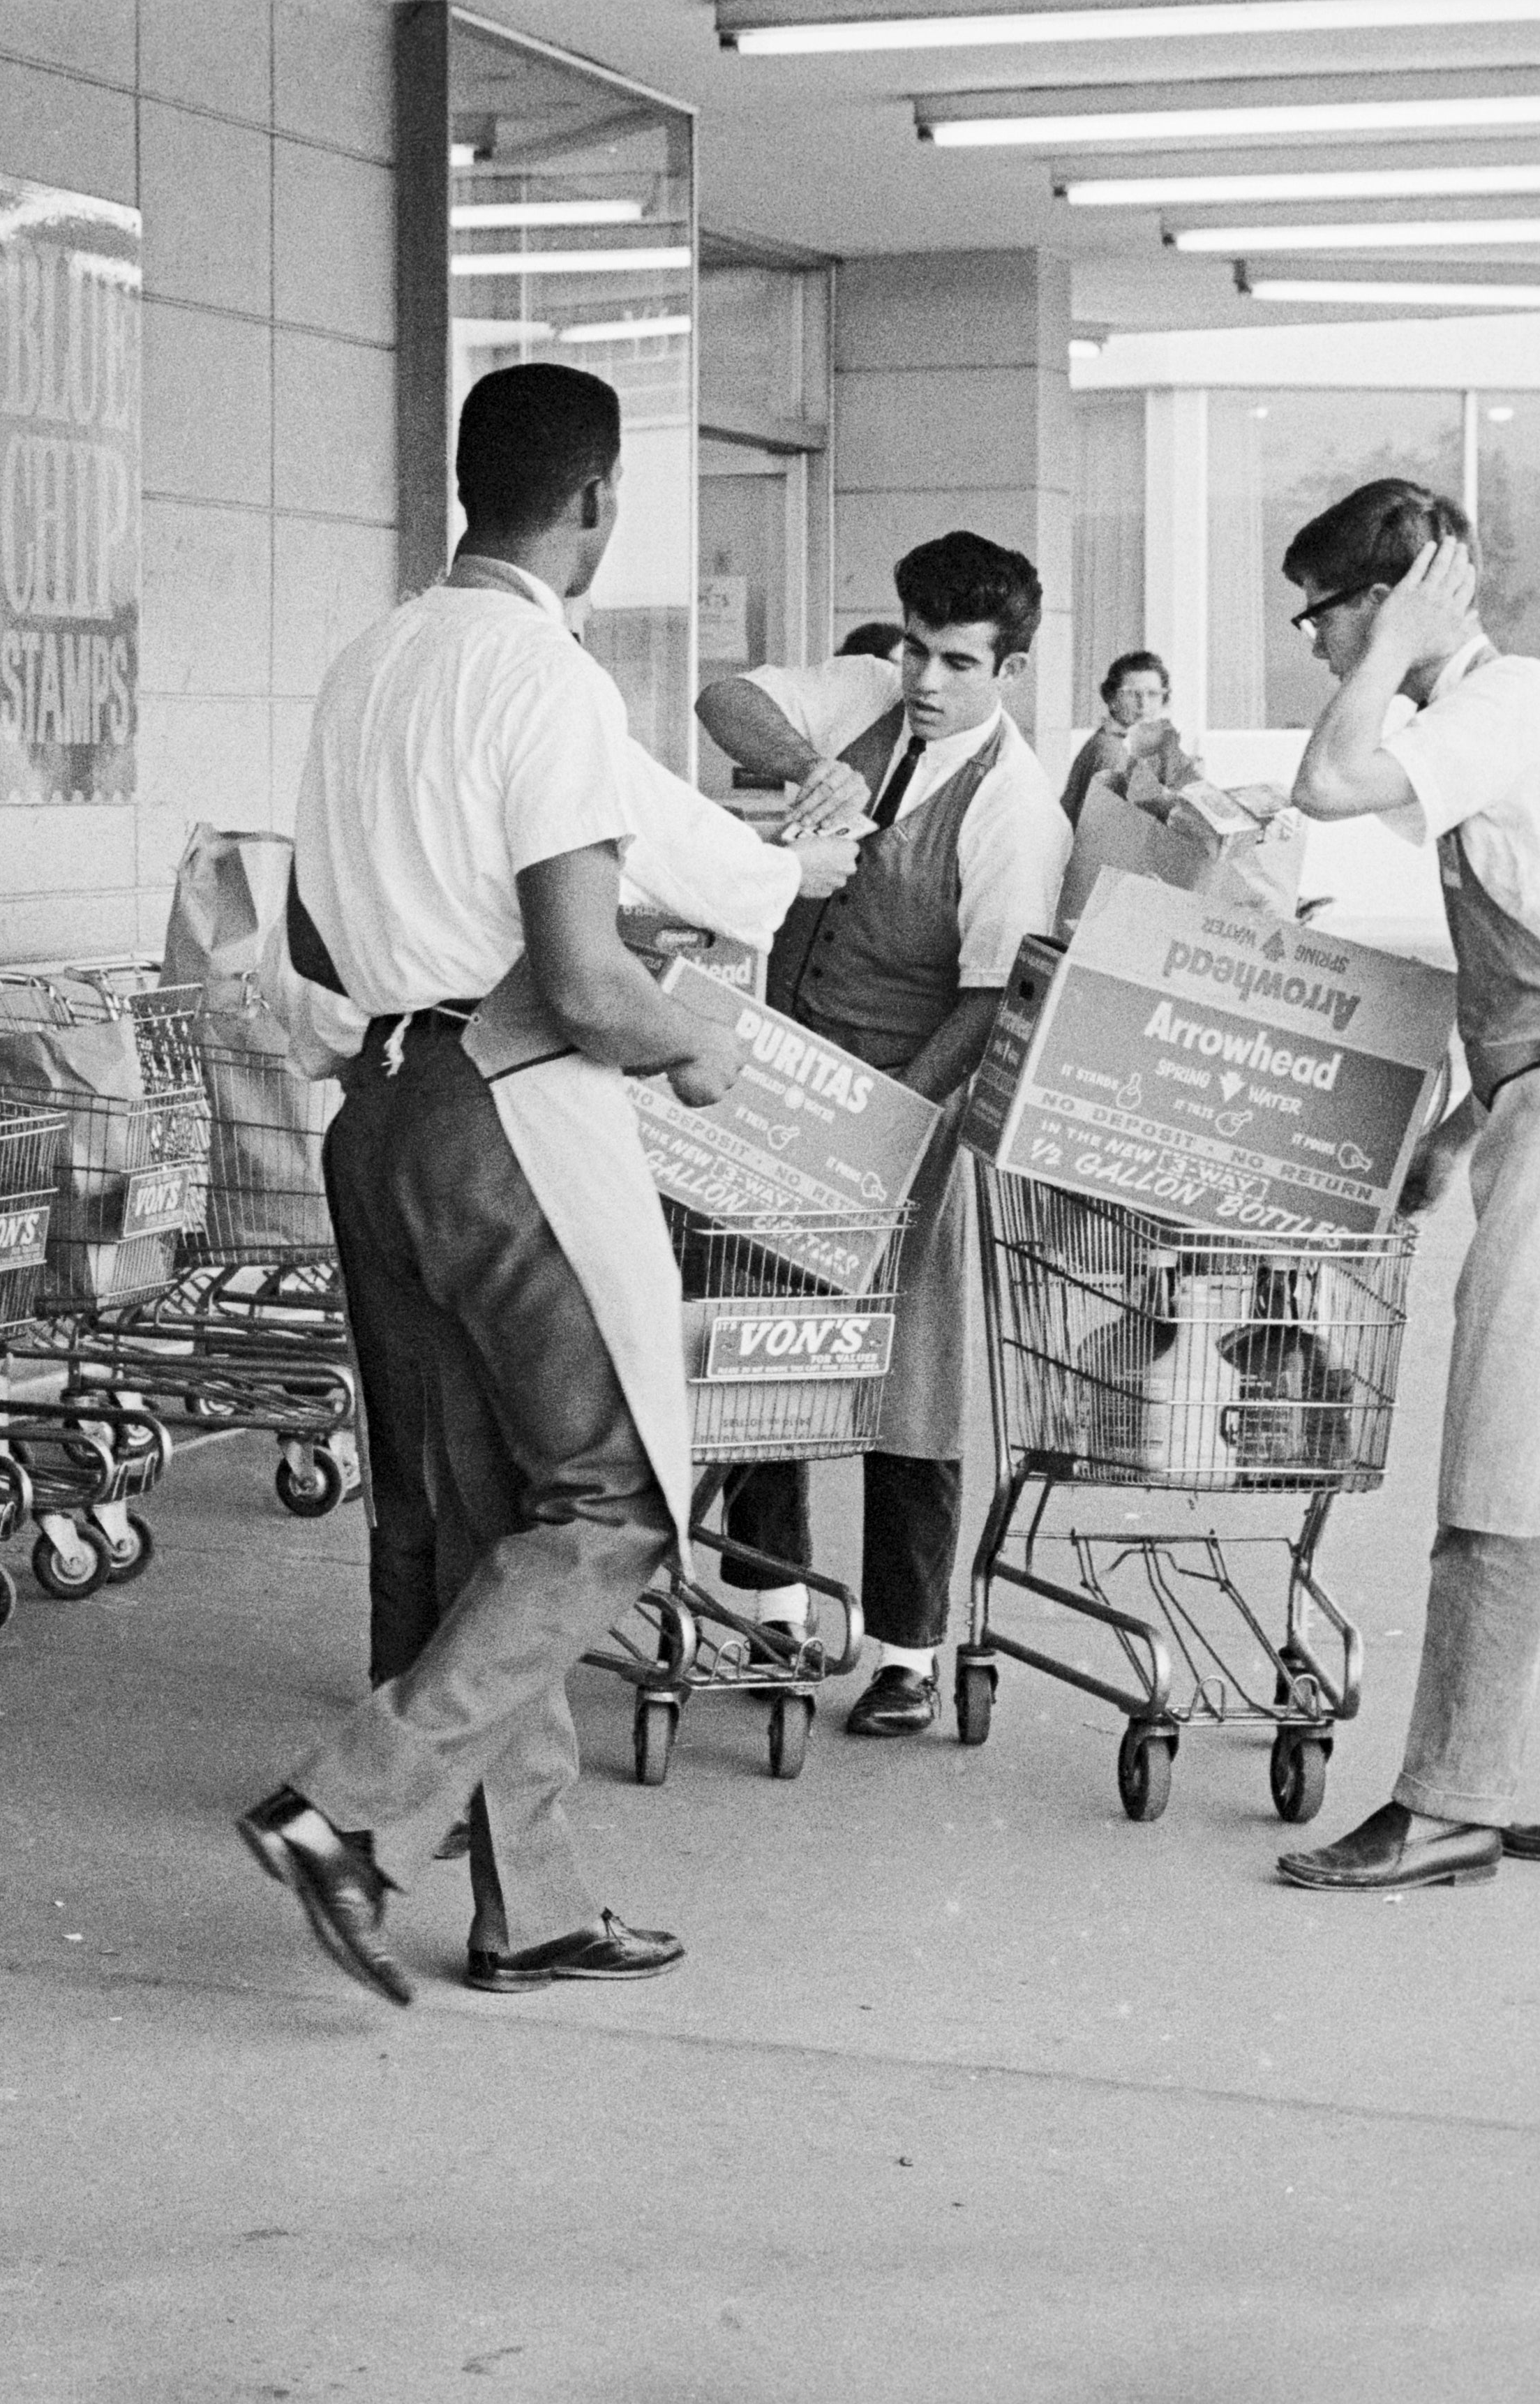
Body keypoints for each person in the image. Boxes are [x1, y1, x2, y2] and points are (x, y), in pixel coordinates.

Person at [238, 363, 747, 2006]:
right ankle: (350, 1808)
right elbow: (587, 986)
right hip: (505, 1113)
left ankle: (529, 1902)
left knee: (476, 1523)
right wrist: (693, 1038)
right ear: (595, 502)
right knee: (610, 1500)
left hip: (375, 1106)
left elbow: (315, 935)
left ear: (471, 485)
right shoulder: (547, 678)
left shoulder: (368, 661)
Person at [1268, 481, 1540, 1893]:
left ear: (1394, 595)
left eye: (1326, 608)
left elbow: (1321, 785)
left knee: (1501, 1441)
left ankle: (1449, 1798)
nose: (1316, 641)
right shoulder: (1488, 723)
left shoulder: (1501, 697)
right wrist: (1458, 1132)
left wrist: (1392, 638)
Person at [689, 535, 1073, 1740]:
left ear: (1009, 665)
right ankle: (772, 1610)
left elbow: (989, 994)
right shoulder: (869, 695)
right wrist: (820, 767)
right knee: (760, 1350)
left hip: (907, 1101)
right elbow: (724, 700)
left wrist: (889, 1128)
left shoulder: (1012, 805)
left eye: (958, 661)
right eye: (913, 645)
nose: (925, 679)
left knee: (907, 1384)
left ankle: (908, 1647)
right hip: (782, 1086)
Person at [1056, 649, 1171, 824]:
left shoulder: (1133, 746)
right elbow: (1105, 831)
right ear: (1112, 698)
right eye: (1133, 694)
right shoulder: (1110, 751)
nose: (1144, 704)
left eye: (1153, 694)